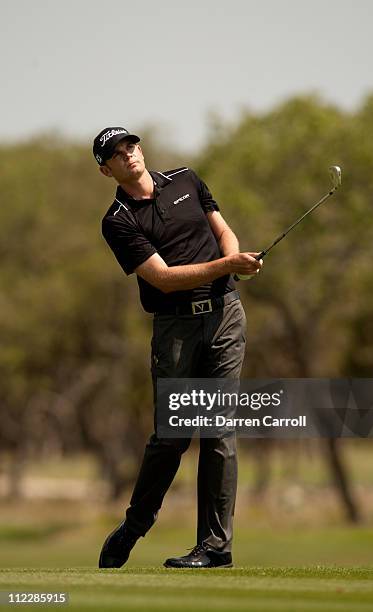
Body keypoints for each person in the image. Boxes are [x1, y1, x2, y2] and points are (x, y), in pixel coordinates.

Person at [93, 127, 262, 569]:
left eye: (131, 146)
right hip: (176, 329)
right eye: (116, 153)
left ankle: (215, 548)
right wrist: (229, 264)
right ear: (105, 170)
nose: (128, 155)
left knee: (219, 431)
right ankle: (135, 525)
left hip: (225, 315)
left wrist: (234, 261)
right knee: (171, 439)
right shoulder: (118, 220)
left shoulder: (187, 179)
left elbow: (222, 230)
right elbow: (164, 278)